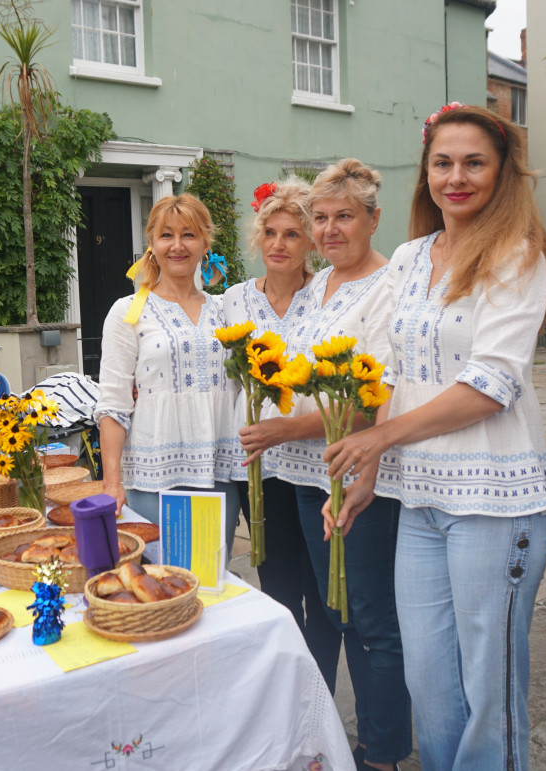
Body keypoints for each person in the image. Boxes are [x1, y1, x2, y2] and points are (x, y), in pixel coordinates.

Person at [325, 104, 546, 771]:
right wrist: (369, 474)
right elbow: (390, 375)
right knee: (431, 690)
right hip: (422, 499)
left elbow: (491, 383)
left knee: (489, 694)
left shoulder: (517, 254)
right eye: (443, 162)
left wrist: (378, 443)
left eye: (473, 163)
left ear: (501, 173)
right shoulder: (409, 257)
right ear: (425, 171)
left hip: (495, 503)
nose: (456, 177)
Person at [239, 159, 411, 771]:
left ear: (373, 219)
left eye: (345, 217)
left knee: (370, 619)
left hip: (362, 479)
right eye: (323, 218)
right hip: (312, 480)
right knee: (335, 612)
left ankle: (383, 749)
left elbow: (377, 399)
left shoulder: (392, 286)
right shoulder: (316, 290)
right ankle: (331, 736)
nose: (331, 230)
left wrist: (287, 427)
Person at [222, 178, 340, 689]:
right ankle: (289, 691)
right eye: (270, 232)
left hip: (318, 467)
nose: (278, 244)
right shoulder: (233, 302)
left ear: (310, 242)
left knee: (325, 590)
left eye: (292, 234)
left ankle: (321, 688)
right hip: (262, 471)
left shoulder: (327, 296)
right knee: (278, 585)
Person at [94, 193, 241, 557]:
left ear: (206, 243)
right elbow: (112, 404)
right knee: (158, 586)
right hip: (152, 478)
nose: (177, 246)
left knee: (212, 583)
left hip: (218, 472)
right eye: (166, 235)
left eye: (189, 235)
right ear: (152, 245)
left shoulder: (227, 309)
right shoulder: (128, 312)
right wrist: (112, 483)